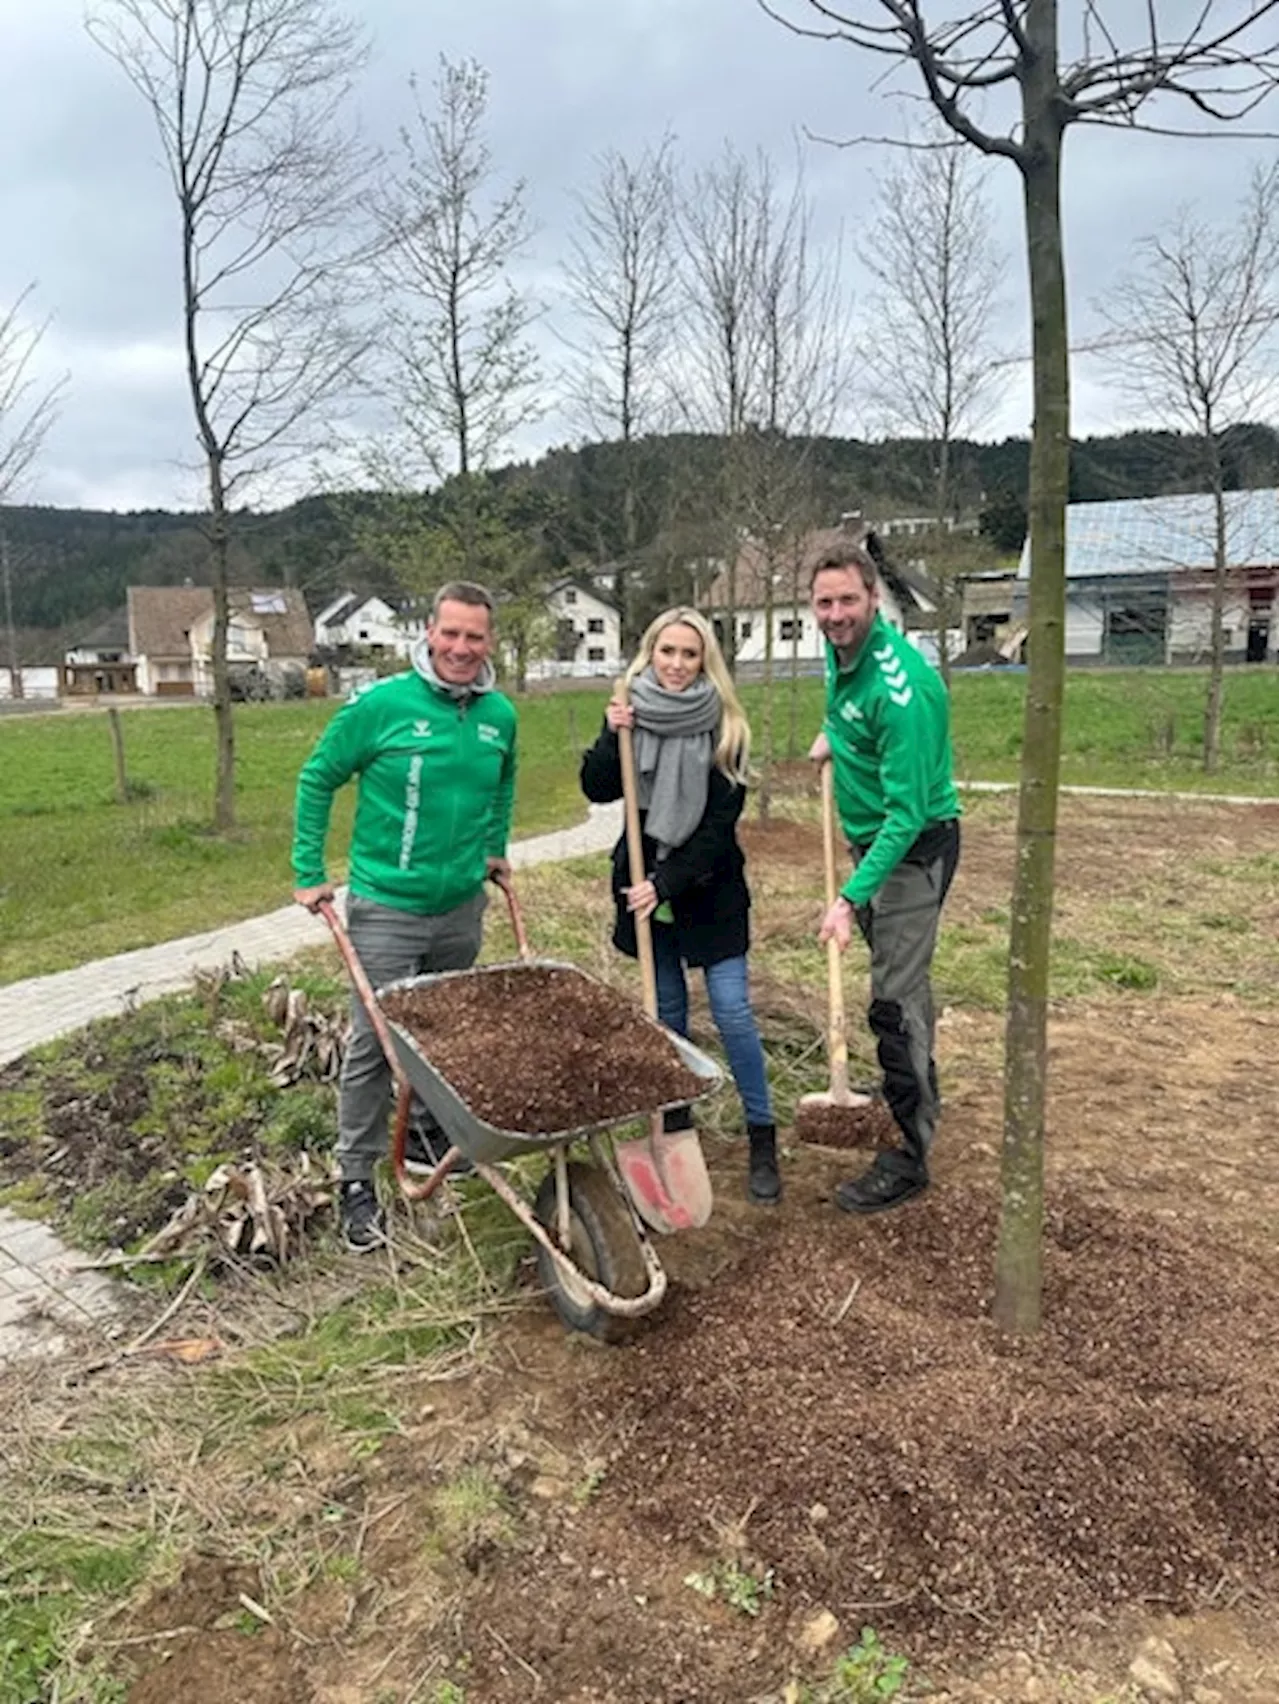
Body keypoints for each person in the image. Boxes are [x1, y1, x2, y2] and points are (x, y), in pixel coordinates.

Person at [292, 581, 517, 1251]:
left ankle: (425, 1138)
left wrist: (494, 850)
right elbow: (318, 776)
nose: (460, 648)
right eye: (450, 633)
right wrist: (309, 872)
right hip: (386, 906)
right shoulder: (384, 705)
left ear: (489, 642)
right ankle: (355, 1177)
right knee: (373, 1044)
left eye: (474, 637)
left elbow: (503, 782)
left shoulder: (499, 714)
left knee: (443, 1036)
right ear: (429, 633)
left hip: (459, 908)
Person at [580, 607, 780, 1205]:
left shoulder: (726, 730)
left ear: (705, 663)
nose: (675, 664)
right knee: (666, 1016)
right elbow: (597, 788)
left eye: (688, 655)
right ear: (650, 654)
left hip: (708, 893)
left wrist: (664, 883)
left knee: (732, 1012)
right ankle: (675, 1124)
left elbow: (720, 828)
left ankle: (762, 1134)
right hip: (644, 896)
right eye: (666, 652)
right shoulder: (630, 715)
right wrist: (609, 733)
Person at [809, 541, 960, 1214]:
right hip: (874, 845)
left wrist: (847, 899)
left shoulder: (902, 690)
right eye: (824, 602)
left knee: (892, 1005)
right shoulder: (842, 654)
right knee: (906, 985)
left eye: (847, 600)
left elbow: (907, 816)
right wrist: (832, 736)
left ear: (874, 598)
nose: (835, 614)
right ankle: (919, 1094)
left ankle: (907, 1153)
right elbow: (848, 706)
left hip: (910, 854)